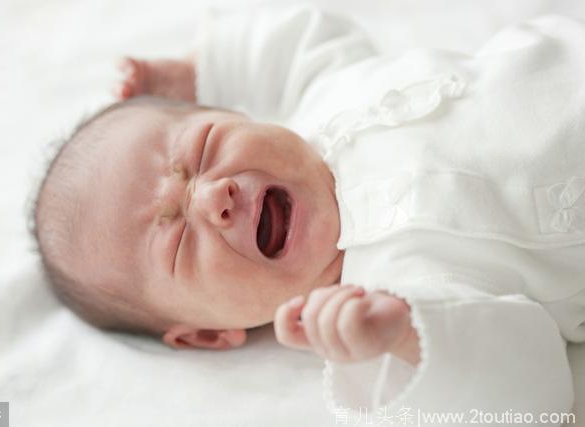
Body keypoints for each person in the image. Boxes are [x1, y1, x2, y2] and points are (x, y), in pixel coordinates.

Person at [33, 5, 585, 422]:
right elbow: (534, 393)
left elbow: (299, 38)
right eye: (178, 243)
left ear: (233, 111)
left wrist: (197, 72)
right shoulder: (392, 295)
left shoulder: (322, 95)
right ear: (208, 334)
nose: (213, 197)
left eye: (202, 148)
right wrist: (407, 336)